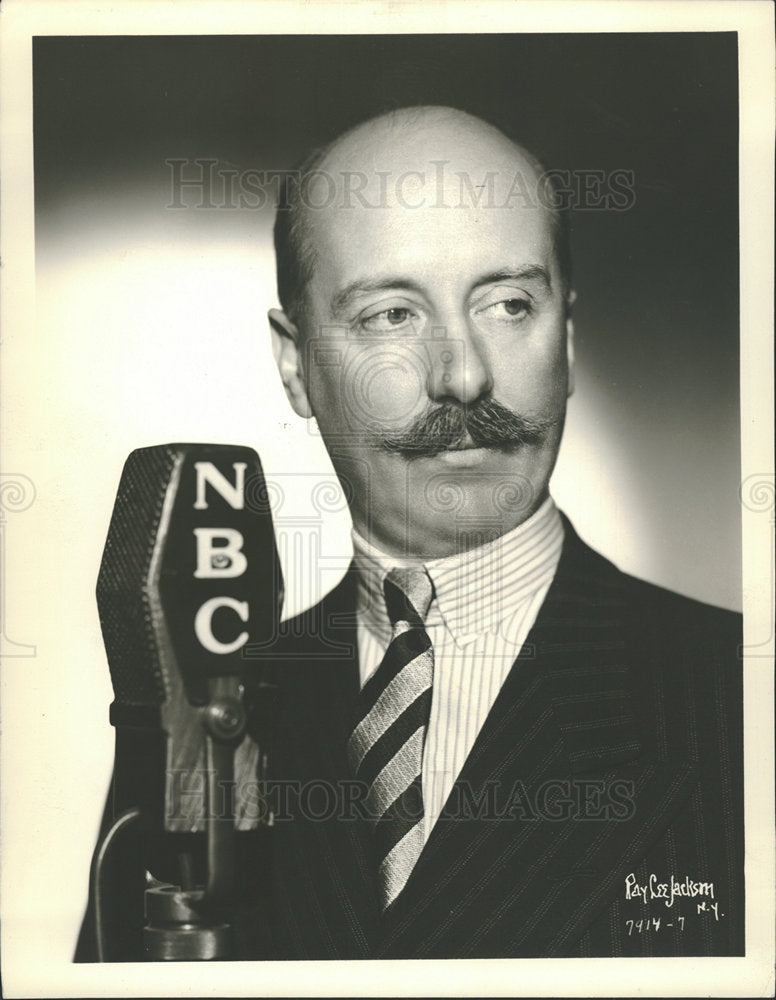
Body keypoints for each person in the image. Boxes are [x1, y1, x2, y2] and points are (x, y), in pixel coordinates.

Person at [76, 105, 744, 961]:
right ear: (295, 364)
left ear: (568, 340)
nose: (462, 375)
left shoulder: (733, 699)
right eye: (391, 316)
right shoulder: (203, 705)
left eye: (508, 304)